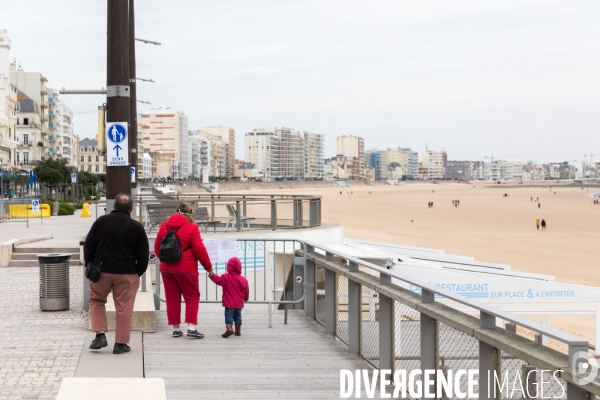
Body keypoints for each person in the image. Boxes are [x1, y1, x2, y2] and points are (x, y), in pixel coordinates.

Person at [84, 193, 149, 354]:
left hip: (102, 272)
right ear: (131, 209)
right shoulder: (136, 227)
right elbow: (143, 254)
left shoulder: (101, 222)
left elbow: (89, 246)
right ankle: (120, 344)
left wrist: (90, 265)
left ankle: (100, 335)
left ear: (113, 206)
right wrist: (137, 273)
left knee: (96, 301)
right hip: (127, 273)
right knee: (124, 308)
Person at [154, 203, 213, 339]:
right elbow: (200, 250)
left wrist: (166, 260)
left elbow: (158, 248)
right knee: (192, 297)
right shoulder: (192, 228)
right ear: (190, 214)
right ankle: (191, 327)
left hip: (167, 269)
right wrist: (208, 268)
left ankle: (176, 329)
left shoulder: (164, 226)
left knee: (172, 298)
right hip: (187, 270)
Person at [209, 257, 249, 337]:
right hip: (239, 303)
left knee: (229, 316)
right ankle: (238, 330)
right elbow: (246, 290)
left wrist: (212, 275)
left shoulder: (225, 277)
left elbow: (218, 280)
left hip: (229, 303)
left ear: (228, 266)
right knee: (238, 316)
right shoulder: (243, 280)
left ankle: (229, 328)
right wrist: (246, 298)